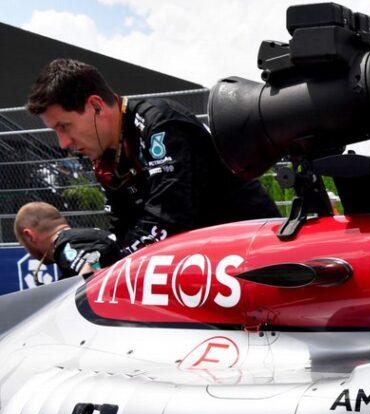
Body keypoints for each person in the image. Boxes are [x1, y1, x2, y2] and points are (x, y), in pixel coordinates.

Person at [25, 59, 278, 246]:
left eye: (64, 126)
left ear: (96, 106)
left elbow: (168, 220)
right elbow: (125, 226)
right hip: (206, 254)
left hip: (254, 243)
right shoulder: (105, 158)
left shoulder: (160, 124)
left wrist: (113, 258)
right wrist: (98, 250)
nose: (62, 143)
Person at [13, 201, 150, 279]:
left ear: (29, 235)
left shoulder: (64, 245)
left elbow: (96, 258)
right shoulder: (79, 237)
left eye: (23, 245)